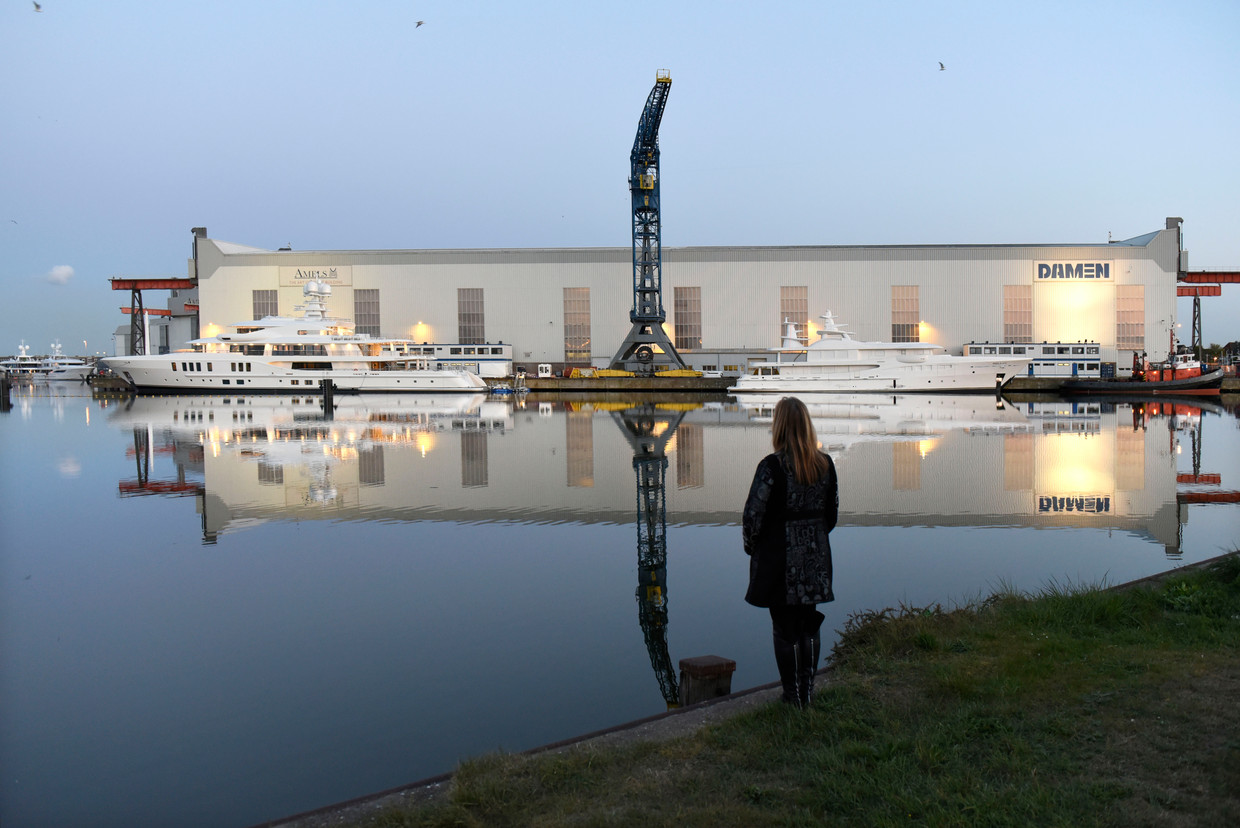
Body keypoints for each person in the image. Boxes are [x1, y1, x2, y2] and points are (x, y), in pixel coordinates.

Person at [742, 396, 838, 708]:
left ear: (779, 427)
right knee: (808, 624)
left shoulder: (771, 467)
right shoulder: (825, 464)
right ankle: (807, 692)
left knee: (784, 629)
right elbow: (831, 515)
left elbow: (752, 516)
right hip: (816, 558)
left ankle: (791, 696)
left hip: (779, 560)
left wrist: (752, 548)